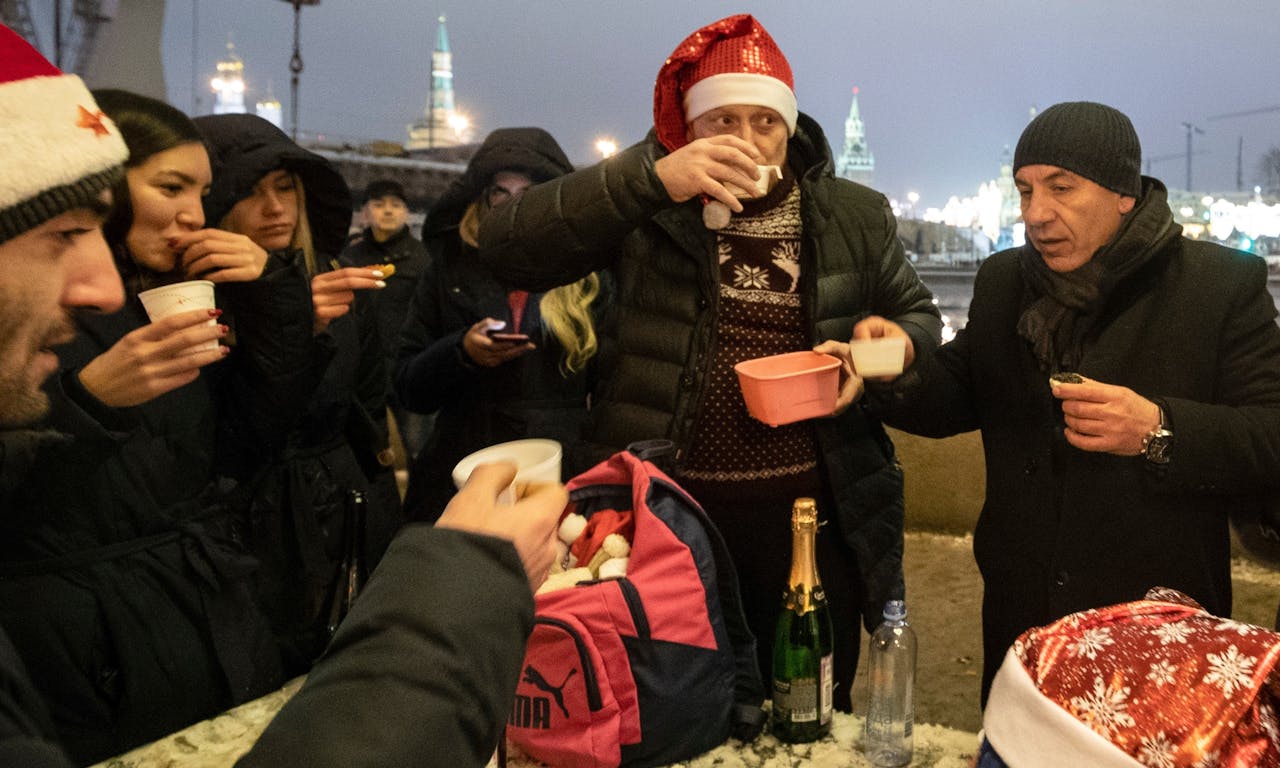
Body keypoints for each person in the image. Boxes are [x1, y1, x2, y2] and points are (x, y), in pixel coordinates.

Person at [0, 31, 563, 768]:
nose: (99, 281)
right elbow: (261, 449)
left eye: (207, 193)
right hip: (160, 615)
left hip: (225, 599)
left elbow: (242, 440)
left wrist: (282, 307)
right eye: (66, 233)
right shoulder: (122, 319)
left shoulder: (294, 286)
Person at [478, 15, 941, 708]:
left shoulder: (852, 214)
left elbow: (920, 320)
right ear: (690, 127)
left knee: (809, 701)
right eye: (723, 118)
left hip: (813, 511)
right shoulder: (651, 208)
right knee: (672, 704)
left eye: (765, 121)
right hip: (669, 514)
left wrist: (889, 347)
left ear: (789, 127)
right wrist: (649, 177)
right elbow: (507, 246)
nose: (747, 141)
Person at [867, 101, 1280, 704]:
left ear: (1123, 194)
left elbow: (1270, 434)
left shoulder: (1217, 285)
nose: (1037, 214)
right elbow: (956, 395)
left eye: (1062, 188)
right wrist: (898, 367)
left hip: (1156, 623)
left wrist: (1157, 429)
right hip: (1021, 611)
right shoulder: (1006, 280)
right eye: (1026, 190)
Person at [0, 84, 320, 761]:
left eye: (203, 194)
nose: (194, 216)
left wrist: (274, 296)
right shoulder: (33, 318)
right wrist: (87, 401)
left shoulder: (163, 297)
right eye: (171, 187)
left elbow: (247, 439)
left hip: (199, 604)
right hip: (87, 642)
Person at [193, 113, 405, 674]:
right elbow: (226, 435)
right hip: (253, 533)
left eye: (286, 188)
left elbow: (367, 401)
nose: (275, 208)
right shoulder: (196, 301)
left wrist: (382, 507)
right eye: (250, 192)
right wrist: (289, 327)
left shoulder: (337, 280)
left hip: (348, 509)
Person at [396, 127, 609, 522]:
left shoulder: (589, 274)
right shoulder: (447, 271)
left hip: (559, 472)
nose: (514, 207)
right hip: (462, 472)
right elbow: (408, 387)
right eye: (501, 193)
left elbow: (615, 391)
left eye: (529, 195)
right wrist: (461, 352)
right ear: (482, 200)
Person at [339, 179, 432, 462]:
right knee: (362, 447)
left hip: (408, 367)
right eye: (379, 205)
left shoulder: (422, 258)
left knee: (419, 448)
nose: (388, 211)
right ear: (365, 212)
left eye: (396, 205)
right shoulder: (350, 257)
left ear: (406, 212)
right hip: (363, 368)